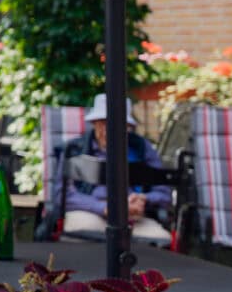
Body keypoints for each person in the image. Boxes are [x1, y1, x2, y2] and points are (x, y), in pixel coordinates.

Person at [59, 94, 172, 243]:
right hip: (89, 212)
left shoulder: (142, 148)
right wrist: (104, 207)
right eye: (104, 123)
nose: (110, 130)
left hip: (133, 217)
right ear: (94, 123)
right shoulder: (74, 149)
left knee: (161, 240)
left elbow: (164, 193)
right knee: (87, 237)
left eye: (118, 124)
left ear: (128, 127)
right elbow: (62, 196)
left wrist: (144, 199)